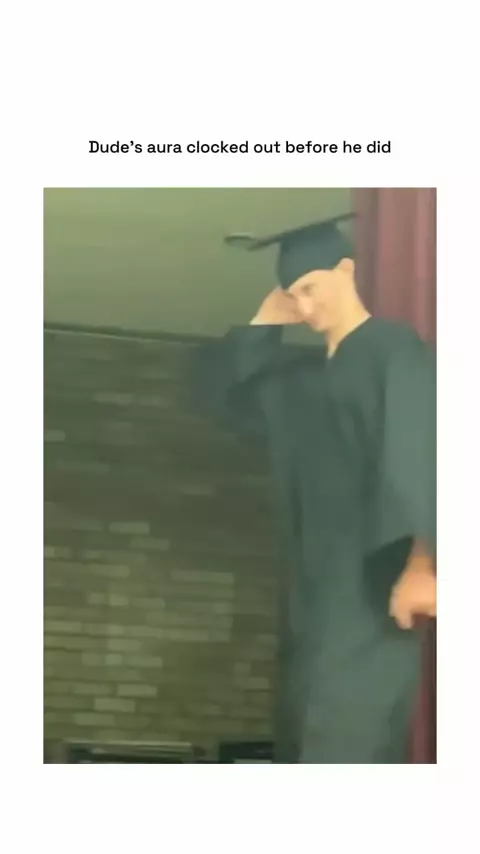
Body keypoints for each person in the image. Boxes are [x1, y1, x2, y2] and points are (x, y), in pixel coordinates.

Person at [193, 214, 436, 764]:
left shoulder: (394, 351)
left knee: (347, 731)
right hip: (310, 592)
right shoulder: (300, 383)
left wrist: (423, 562)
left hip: (371, 586)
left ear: (346, 269)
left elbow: (422, 449)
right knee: (301, 731)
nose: (304, 307)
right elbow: (219, 400)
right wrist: (263, 323)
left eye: (311, 287)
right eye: (294, 295)